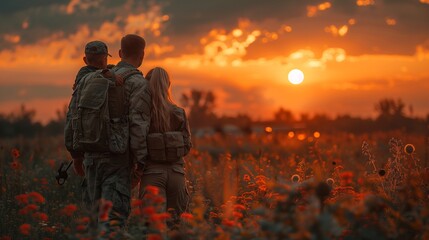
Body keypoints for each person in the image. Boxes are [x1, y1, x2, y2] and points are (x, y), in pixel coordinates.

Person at [136, 67, 192, 228]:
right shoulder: (179, 112)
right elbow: (187, 146)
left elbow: (137, 143)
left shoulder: (143, 114)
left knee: (153, 227)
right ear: (168, 85)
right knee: (176, 226)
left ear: (147, 84)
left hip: (152, 174)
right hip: (177, 175)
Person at [65, 40, 111, 176]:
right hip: (108, 151)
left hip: (86, 151)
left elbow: (71, 118)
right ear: (105, 59)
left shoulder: (80, 84)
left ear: (85, 60)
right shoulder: (107, 79)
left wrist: (75, 155)